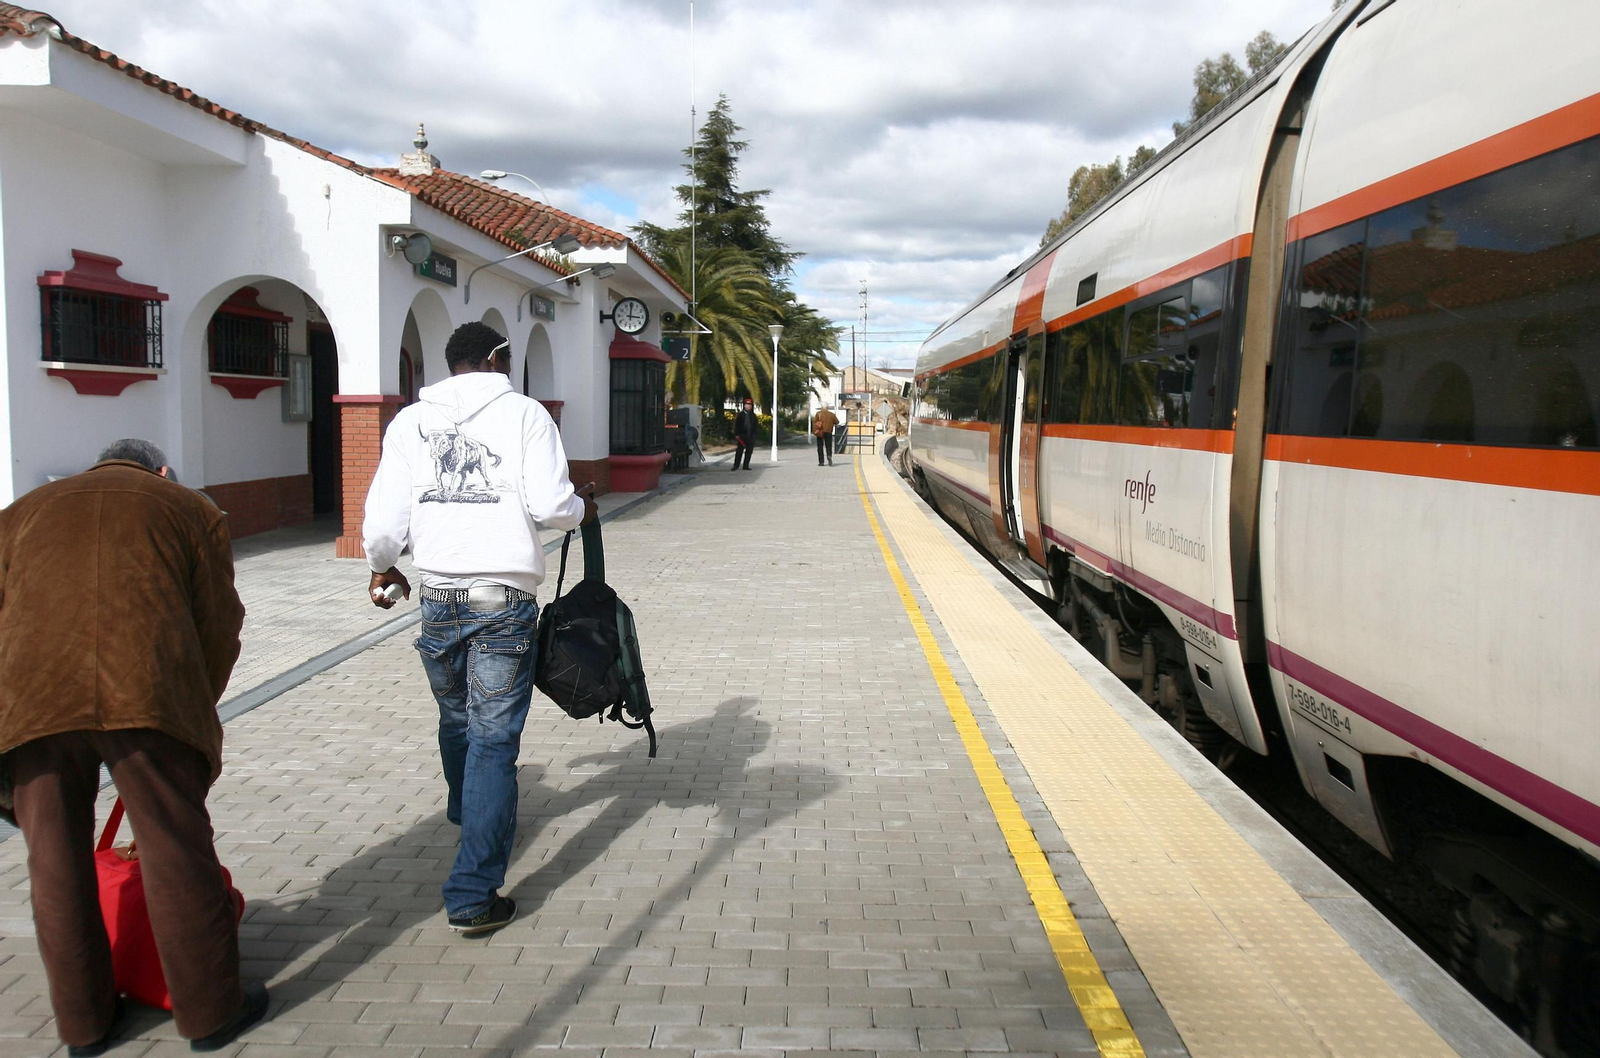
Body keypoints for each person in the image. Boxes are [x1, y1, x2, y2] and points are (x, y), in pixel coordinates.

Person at [0, 439, 263, 1055]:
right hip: (146, 692)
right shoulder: (190, 510)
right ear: (161, 471)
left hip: (35, 698)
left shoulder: (20, 513)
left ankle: (84, 1026)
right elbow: (219, 625)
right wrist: (196, 702)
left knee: (53, 860)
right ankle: (210, 1015)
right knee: (174, 847)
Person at [362, 322, 597, 938]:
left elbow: (384, 520)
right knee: (493, 740)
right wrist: (583, 509)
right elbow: (552, 506)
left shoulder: (409, 421)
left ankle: (471, 814)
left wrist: (382, 565)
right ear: (497, 358)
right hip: (503, 599)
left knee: (456, 718)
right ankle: (472, 894)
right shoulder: (526, 415)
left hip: (438, 596)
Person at [731, 397, 757, 470]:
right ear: (744, 405)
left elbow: (755, 426)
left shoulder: (753, 416)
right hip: (742, 435)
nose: (749, 406)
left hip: (750, 436)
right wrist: (737, 434)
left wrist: (754, 436)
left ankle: (746, 466)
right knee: (739, 451)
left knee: (749, 452)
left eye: (750, 404)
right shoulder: (741, 415)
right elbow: (737, 425)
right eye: (747, 404)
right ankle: (736, 465)